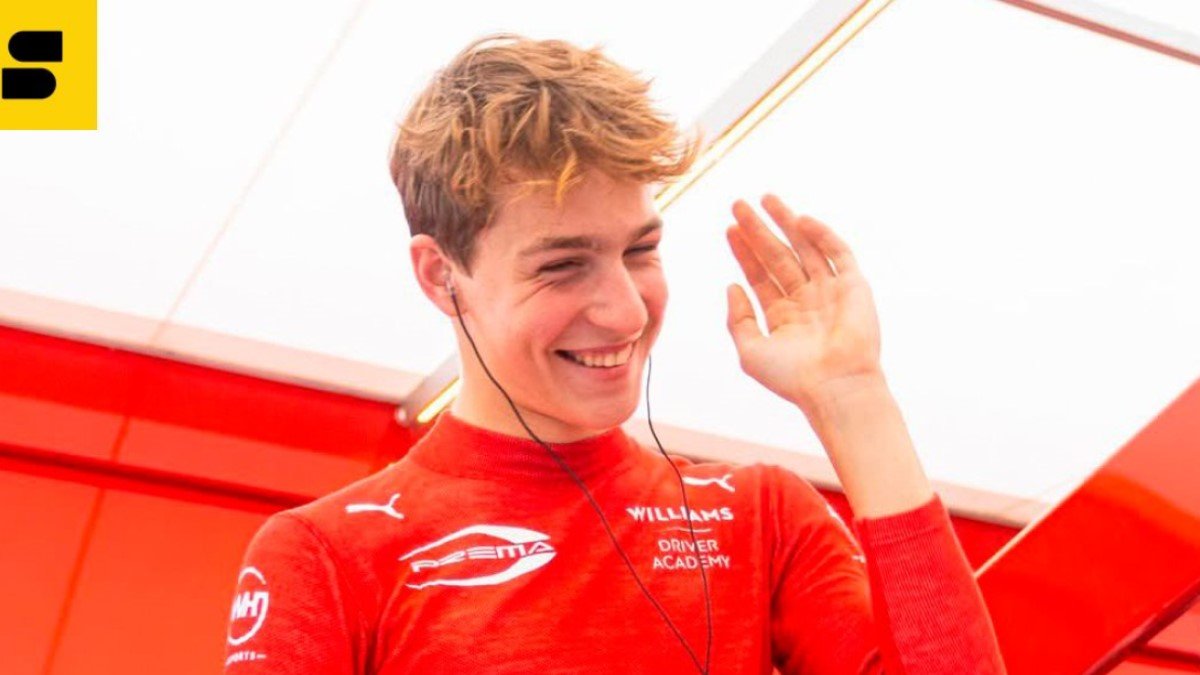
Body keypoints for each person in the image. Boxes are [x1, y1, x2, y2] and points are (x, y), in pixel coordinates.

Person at [222, 33, 1006, 674]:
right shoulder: (328, 554)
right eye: (564, 265)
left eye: (640, 250)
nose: (626, 309)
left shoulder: (761, 518)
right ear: (441, 276)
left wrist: (855, 400)